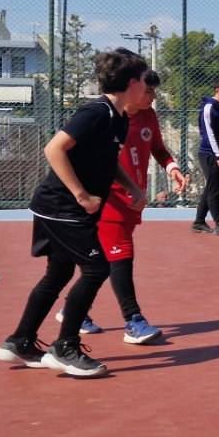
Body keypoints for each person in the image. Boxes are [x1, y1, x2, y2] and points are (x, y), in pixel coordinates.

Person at [0, 50, 151, 378]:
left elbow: (107, 163)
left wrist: (132, 188)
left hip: (63, 209)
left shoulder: (119, 118)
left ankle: (20, 341)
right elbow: (53, 149)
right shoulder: (95, 112)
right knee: (96, 269)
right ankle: (65, 347)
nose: (148, 87)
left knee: (59, 274)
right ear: (133, 82)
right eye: (144, 81)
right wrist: (81, 195)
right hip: (62, 207)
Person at [58, 58, 190, 343]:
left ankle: (74, 309)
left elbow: (158, 149)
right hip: (110, 201)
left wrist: (173, 168)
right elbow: (79, 155)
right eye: (148, 91)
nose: (152, 97)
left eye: (154, 92)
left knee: (105, 260)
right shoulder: (108, 118)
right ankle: (133, 320)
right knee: (121, 257)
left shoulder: (148, 117)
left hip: (133, 199)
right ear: (133, 89)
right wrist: (83, 192)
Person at [194, 79, 219, 235]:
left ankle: (198, 222)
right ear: (217, 90)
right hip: (209, 154)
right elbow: (209, 133)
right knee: (214, 190)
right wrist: (218, 155)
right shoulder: (209, 107)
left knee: (211, 187)